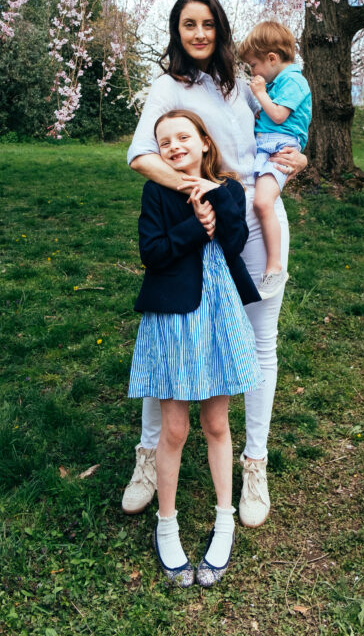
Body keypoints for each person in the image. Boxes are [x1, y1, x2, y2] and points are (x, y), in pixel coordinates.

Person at [123, 0, 306, 529]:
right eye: (189, 24)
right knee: (171, 334)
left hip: (254, 217)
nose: (199, 33)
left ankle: (255, 463)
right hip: (199, 217)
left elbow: (279, 128)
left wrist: (296, 154)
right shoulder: (168, 86)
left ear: (220, 28)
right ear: (177, 31)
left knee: (260, 341)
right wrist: (197, 188)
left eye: (207, 23)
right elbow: (140, 155)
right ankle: (148, 457)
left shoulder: (241, 82)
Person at [127, 110, 263, 586]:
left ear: (205, 142)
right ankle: (167, 525)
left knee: (217, 423)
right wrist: (195, 227)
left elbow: (236, 240)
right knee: (174, 428)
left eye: (183, 137)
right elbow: (152, 252)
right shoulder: (156, 192)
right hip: (173, 315)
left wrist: (213, 203)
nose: (174, 146)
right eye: (164, 142)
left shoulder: (229, 189)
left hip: (219, 311)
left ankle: (225, 519)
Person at [237, 21, 312, 299]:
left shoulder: (294, 80)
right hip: (266, 145)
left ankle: (275, 267)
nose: (252, 72)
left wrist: (260, 94)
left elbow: (279, 116)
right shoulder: (279, 82)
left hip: (280, 147)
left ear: (272, 58)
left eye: (253, 65)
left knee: (262, 202)